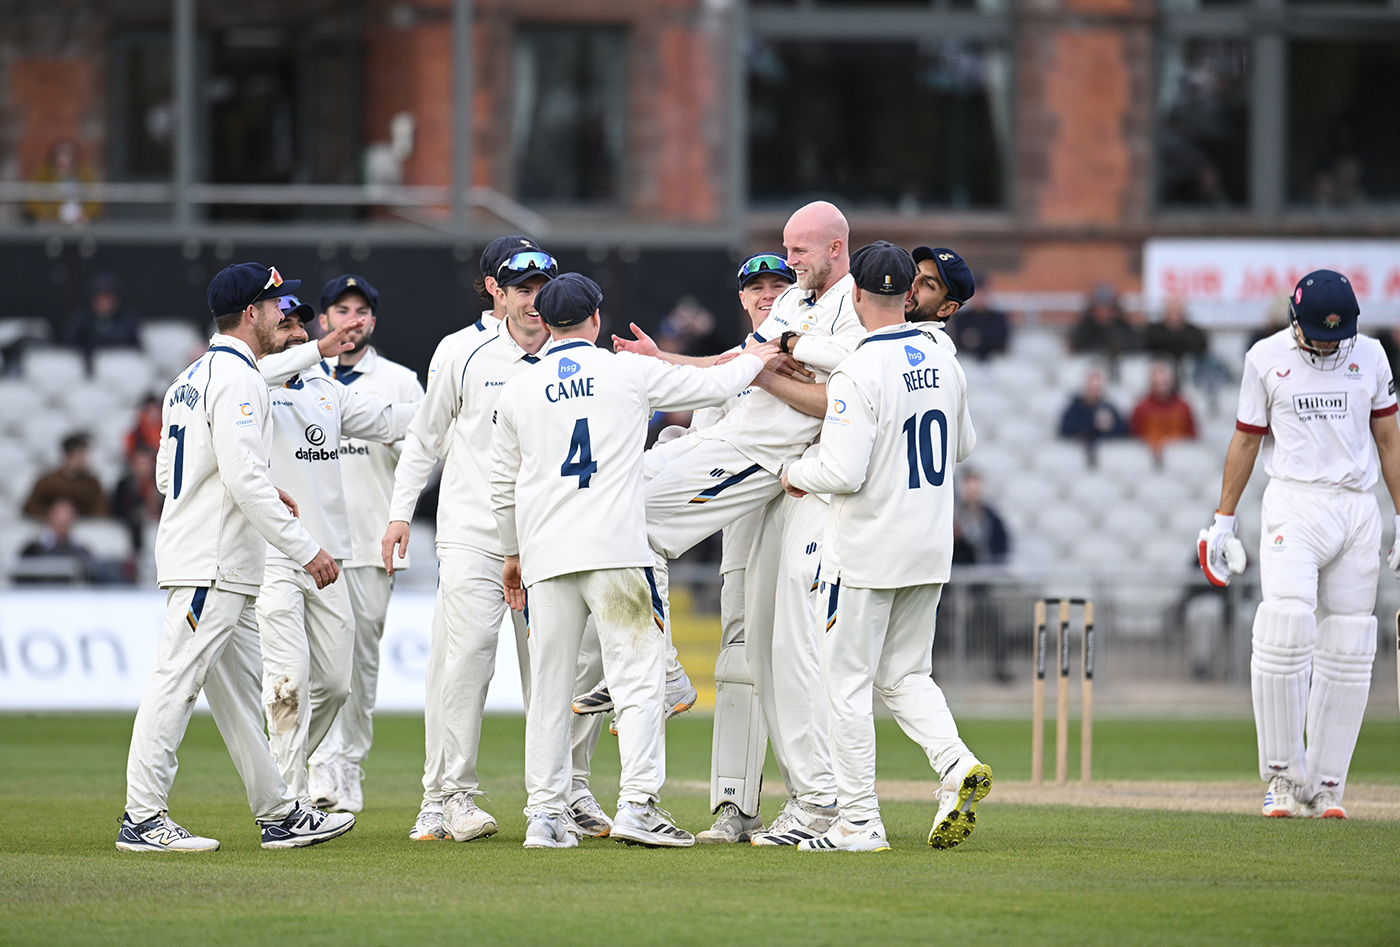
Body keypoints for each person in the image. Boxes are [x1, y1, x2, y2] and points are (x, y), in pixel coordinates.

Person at [603, 201, 866, 847]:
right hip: (734, 467)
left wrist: (768, 373)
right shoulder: (788, 313)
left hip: (776, 473)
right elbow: (734, 364)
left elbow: (840, 402)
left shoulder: (852, 309)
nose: (786, 268)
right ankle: (740, 793)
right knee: (743, 652)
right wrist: (666, 360)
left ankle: (818, 800)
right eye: (765, 276)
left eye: (795, 255)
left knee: (780, 651)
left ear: (836, 247)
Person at [489, 272, 781, 849]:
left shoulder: (518, 388)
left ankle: (545, 816)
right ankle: (637, 807)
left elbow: (503, 483)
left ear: (543, 323)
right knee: (640, 682)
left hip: (548, 554)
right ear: (596, 319)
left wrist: (512, 552)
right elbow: (719, 388)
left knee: (550, 689)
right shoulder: (626, 371)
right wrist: (761, 354)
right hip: (617, 552)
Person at [117, 262, 355, 852]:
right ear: (252, 313)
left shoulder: (193, 376)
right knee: (175, 684)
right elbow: (243, 481)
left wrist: (249, 489)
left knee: (243, 697)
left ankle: (278, 811)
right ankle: (142, 817)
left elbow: (175, 473)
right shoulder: (238, 378)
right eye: (277, 305)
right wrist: (307, 551)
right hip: (214, 563)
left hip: (214, 558)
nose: (284, 314)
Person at [383, 237, 608, 844]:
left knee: (562, 670)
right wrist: (400, 512)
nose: (535, 302)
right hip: (474, 534)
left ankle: (564, 792)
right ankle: (447, 798)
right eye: (523, 290)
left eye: (543, 289)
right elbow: (425, 438)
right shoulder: (463, 352)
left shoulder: (578, 355)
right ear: (496, 292)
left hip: (550, 540)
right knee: (467, 656)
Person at [782, 241, 991, 853]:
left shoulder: (858, 370)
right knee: (905, 674)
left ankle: (859, 821)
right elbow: (964, 446)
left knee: (844, 685)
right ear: (908, 297)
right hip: (928, 546)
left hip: (868, 549)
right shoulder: (941, 356)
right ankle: (956, 766)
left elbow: (842, 472)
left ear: (853, 295)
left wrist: (796, 473)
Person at [1198, 269, 1400, 820]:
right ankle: (1284, 778)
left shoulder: (1374, 357)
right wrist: (1223, 521)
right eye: (1318, 332)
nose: (1329, 343)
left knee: (1352, 643)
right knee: (1285, 627)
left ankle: (1327, 784)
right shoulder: (1265, 358)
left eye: (1339, 333)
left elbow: (1388, 437)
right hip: (1294, 501)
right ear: (1295, 319)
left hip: (1357, 508)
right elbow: (1245, 439)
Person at [648, 251, 797, 844]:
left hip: (797, 517)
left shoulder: (815, 352)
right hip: (738, 523)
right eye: (755, 286)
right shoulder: (730, 366)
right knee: (738, 659)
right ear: (740, 298)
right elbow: (709, 439)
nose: (766, 294)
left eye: (777, 284)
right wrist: (679, 442)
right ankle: (735, 807)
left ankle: (820, 804)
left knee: (794, 662)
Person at [253, 296, 416, 807]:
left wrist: (461, 404)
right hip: (274, 554)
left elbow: (390, 420)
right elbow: (265, 369)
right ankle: (291, 800)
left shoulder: (324, 388)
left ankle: (289, 767)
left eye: (302, 324)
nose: (297, 332)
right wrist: (318, 349)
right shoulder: (251, 382)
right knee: (288, 680)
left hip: (331, 559)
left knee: (337, 684)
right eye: (287, 325)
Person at [302, 275, 426, 815]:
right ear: (324, 319)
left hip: (372, 542)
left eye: (361, 310)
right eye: (340, 309)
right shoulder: (297, 375)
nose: (351, 319)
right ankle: (317, 765)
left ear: (372, 321)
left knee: (359, 662)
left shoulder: (399, 382)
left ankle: (348, 764)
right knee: (312, 663)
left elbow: (426, 459)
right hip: (308, 545)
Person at [23, 432, 108, 519]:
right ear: (68, 456)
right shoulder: (47, 482)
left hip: (83, 529)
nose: (84, 460)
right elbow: (30, 508)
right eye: (80, 456)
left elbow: (101, 511)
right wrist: (56, 515)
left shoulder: (92, 485)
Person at [64, 273, 141, 368]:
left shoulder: (128, 318)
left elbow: (137, 348)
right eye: (100, 297)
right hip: (89, 371)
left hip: (122, 368)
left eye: (108, 297)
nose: (104, 302)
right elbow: (70, 346)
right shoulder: (81, 318)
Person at [1130, 361, 1197, 460]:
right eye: (1157, 383)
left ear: (1171, 382)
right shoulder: (1141, 408)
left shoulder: (1184, 406)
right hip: (1149, 458)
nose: (1161, 387)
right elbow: (1135, 440)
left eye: (1164, 382)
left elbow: (1191, 437)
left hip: (1180, 457)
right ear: (1151, 383)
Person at [1059, 368, 1128, 463]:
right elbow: (1065, 429)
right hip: (1076, 454)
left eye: (1097, 388)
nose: (1093, 392)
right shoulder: (1074, 409)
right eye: (1090, 388)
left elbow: (1122, 430)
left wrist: (1107, 429)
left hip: (1107, 455)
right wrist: (1090, 428)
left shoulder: (1109, 409)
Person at [16, 497, 92, 584]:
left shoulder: (82, 552)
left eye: (66, 519)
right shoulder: (32, 550)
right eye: (59, 518)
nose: (63, 521)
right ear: (50, 517)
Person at [26, 139, 100, 224]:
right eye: (60, 155)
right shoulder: (44, 174)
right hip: (51, 222)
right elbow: (33, 198)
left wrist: (87, 214)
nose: (64, 159)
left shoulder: (85, 174)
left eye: (67, 155)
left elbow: (95, 197)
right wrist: (45, 214)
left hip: (79, 222)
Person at [109, 444, 162, 555]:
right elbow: (118, 510)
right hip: (133, 536)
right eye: (140, 463)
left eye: (147, 463)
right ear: (132, 465)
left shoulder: (161, 485)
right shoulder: (124, 486)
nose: (144, 468)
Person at [1069, 282, 1139, 358]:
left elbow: (1134, 348)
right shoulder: (1084, 330)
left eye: (1108, 308)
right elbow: (1077, 350)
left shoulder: (1124, 328)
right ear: (1092, 309)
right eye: (1100, 307)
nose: (1103, 312)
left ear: (1115, 309)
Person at [947, 279, 1009, 362]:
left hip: (993, 360)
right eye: (976, 294)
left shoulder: (998, 318)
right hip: (969, 360)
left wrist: (979, 338)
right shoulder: (962, 319)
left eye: (982, 294)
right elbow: (959, 342)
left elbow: (1001, 342)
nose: (979, 298)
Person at [1143, 297, 1208, 367]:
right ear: (1165, 312)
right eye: (1171, 311)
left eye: (1177, 311)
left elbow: (1201, 351)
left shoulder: (1194, 332)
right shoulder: (1154, 331)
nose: (1174, 315)